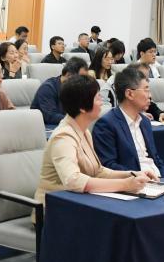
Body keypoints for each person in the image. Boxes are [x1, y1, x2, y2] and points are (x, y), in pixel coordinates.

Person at [34, 75, 151, 214]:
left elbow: (98, 172)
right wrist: (125, 184)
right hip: (55, 213)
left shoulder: (84, 131)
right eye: (97, 98)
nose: (102, 102)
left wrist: (131, 174)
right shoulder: (63, 137)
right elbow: (73, 180)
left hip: (80, 204)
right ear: (83, 107)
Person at [93, 66, 164, 179]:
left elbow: (157, 160)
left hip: (158, 180)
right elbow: (108, 166)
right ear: (129, 94)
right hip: (134, 182)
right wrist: (139, 176)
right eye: (146, 90)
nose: (150, 96)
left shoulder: (145, 122)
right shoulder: (106, 125)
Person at [31, 58, 88, 125]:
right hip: (47, 126)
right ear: (69, 75)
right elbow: (51, 116)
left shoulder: (75, 89)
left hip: (65, 125)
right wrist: (75, 120)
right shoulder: (48, 88)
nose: (83, 82)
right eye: (81, 78)